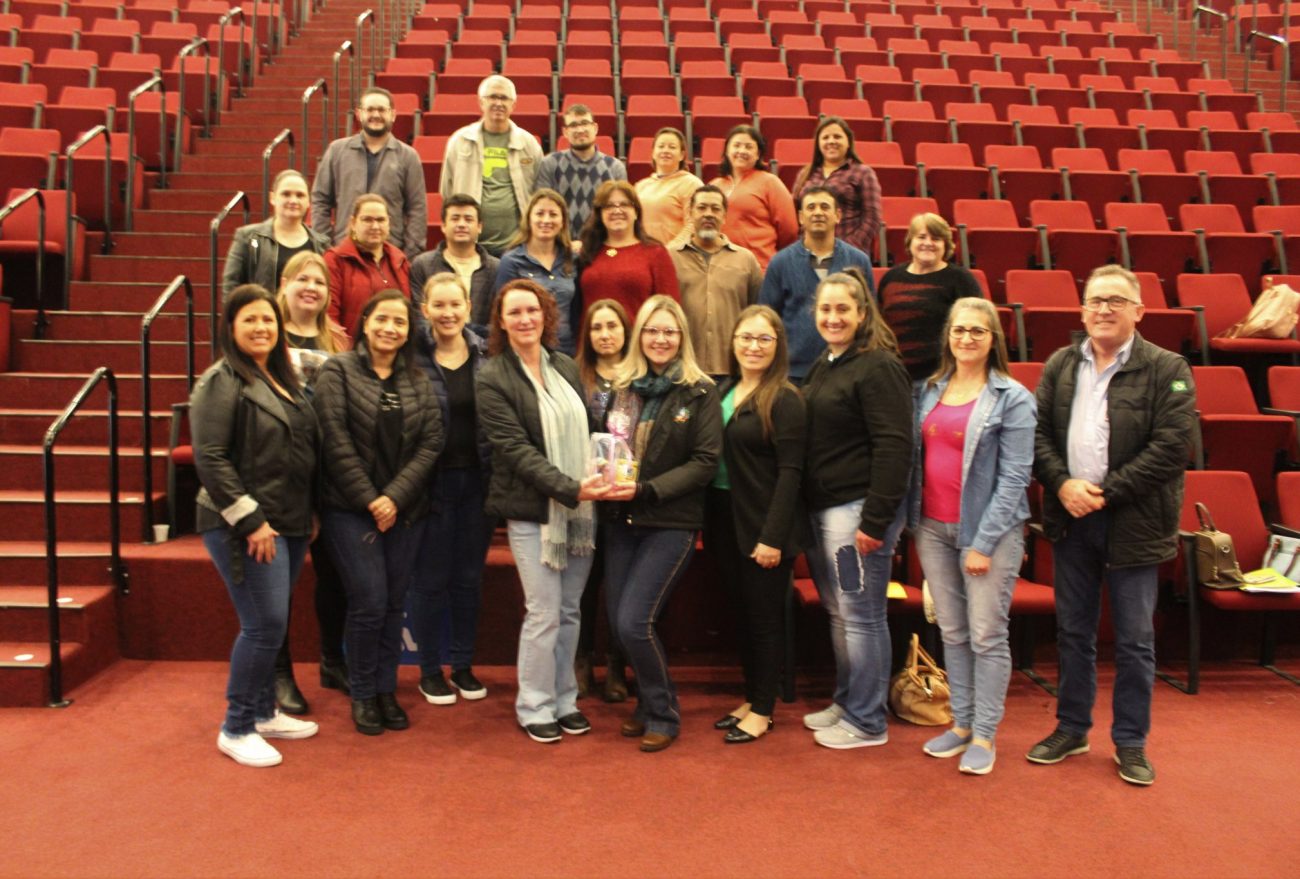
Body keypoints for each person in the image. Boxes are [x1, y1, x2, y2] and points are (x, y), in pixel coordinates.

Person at [1026, 265, 1196, 787]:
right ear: (1082, 310)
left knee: (1135, 640)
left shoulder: (1169, 366)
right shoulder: (1060, 364)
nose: (1104, 309)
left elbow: (1171, 449)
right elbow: (1037, 437)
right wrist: (1062, 485)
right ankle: (1072, 727)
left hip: (1134, 523)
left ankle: (1130, 742)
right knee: (1073, 633)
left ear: (1138, 311)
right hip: (1071, 520)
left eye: (1117, 301)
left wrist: (1104, 492)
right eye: (1096, 300)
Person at [476, 278, 612, 744]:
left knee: (571, 610)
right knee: (544, 612)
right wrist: (573, 488)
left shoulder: (564, 366)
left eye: (531, 310)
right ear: (501, 321)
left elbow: (589, 427)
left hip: (577, 514)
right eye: (514, 313)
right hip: (533, 512)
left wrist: (601, 471)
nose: (525, 319)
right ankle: (533, 705)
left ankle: (564, 700)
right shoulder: (493, 377)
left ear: (545, 314)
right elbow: (515, 451)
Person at [192, 285, 320, 767]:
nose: (261, 328)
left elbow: (301, 450)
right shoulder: (221, 380)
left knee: (274, 622)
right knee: (264, 625)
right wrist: (251, 521)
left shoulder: (283, 377)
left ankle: (265, 711)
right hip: (242, 525)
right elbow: (211, 458)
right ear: (230, 327)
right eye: (250, 320)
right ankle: (238, 724)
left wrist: (306, 514)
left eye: (268, 319)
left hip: (287, 521)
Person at [908, 297, 1036, 775]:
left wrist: (982, 543)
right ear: (948, 335)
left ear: (993, 340)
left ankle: (985, 734)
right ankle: (960, 724)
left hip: (990, 533)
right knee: (953, 630)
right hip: (932, 528)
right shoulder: (929, 389)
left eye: (977, 332)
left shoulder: (1013, 397)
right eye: (959, 330)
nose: (966, 338)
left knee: (986, 634)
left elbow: (1015, 477)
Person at [314, 290, 444, 736]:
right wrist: (372, 498)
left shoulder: (417, 378)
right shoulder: (338, 372)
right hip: (349, 510)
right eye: (382, 319)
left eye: (401, 322)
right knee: (368, 602)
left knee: (392, 604)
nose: (391, 328)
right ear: (365, 322)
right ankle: (364, 692)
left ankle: (387, 689)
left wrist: (394, 497)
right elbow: (334, 440)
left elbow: (430, 444)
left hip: (406, 511)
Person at [602, 296, 722, 752]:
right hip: (620, 519)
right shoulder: (623, 388)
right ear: (640, 337)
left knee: (634, 621)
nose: (660, 339)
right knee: (619, 623)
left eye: (669, 331)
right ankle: (647, 705)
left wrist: (647, 490)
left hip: (670, 522)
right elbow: (609, 447)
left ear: (682, 338)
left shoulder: (700, 390)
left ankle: (664, 715)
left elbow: (705, 462)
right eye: (652, 330)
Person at [800, 268, 913, 750]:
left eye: (843, 309)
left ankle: (868, 721)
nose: (833, 317)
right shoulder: (827, 363)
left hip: (855, 514)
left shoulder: (878, 366)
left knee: (860, 613)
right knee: (840, 611)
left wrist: (876, 519)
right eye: (825, 309)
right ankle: (848, 701)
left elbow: (895, 445)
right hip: (826, 512)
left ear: (863, 314)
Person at [707, 305, 806, 745]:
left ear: (778, 346)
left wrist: (773, 537)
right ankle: (752, 696)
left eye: (764, 339)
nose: (753, 346)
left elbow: (791, 474)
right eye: (745, 337)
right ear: (733, 343)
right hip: (723, 519)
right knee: (743, 616)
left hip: (763, 524)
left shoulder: (785, 398)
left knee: (765, 620)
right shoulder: (723, 391)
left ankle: (764, 709)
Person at [408, 273, 495, 707]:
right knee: (430, 580)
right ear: (425, 310)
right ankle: (428, 669)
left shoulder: (485, 353)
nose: (447, 313)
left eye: (455, 305)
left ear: (468, 307)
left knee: (468, 579)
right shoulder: (413, 355)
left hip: (477, 483)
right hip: (430, 485)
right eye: (438, 306)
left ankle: (462, 665)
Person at [271, 251, 350, 714]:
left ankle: (332, 659)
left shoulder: (338, 341)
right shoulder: (264, 333)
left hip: (328, 473)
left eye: (319, 282)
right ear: (284, 284)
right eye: (302, 279)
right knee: (277, 579)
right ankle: (279, 672)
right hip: (281, 476)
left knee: (335, 574)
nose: (311, 288)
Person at [573, 298, 633, 701]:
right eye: (597, 327)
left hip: (626, 498)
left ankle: (615, 664)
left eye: (613, 326)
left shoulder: (639, 377)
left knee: (619, 584)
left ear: (626, 331)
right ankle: (581, 662)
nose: (605, 334)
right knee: (584, 584)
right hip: (585, 497)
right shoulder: (575, 376)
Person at [759, 186, 873, 382]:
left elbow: (870, 316)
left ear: (837, 215)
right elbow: (767, 318)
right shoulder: (780, 263)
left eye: (824, 207)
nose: (818, 212)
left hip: (847, 369)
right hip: (793, 374)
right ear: (801, 217)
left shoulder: (858, 261)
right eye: (811, 207)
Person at [310, 86, 427, 258]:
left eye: (382, 110)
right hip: (344, 252)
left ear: (392, 115)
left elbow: (417, 208)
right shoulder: (336, 151)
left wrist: (408, 253)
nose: (376, 115)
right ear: (359, 114)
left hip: (390, 253)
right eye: (370, 109)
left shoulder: (408, 156)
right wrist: (325, 244)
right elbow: (320, 200)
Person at [440, 75, 544, 256]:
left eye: (504, 98)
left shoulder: (529, 143)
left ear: (513, 105)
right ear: (481, 102)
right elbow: (447, 191)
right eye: (492, 97)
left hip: (517, 246)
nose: (498, 103)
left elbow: (539, 191)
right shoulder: (460, 141)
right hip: (470, 245)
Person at [669, 185, 764, 378]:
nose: (708, 214)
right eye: (702, 208)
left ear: (724, 216)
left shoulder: (746, 260)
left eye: (715, 209)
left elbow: (756, 315)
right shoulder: (670, 258)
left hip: (733, 371)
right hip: (682, 370)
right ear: (690, 214)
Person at [878, 213, 984, 383]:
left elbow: (979, 327)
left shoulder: (961, 279)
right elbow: (879, 326)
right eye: (921, 237)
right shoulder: (891, 278)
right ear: (910, 241)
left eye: (936, 238)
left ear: (946, 245)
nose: (928, 243)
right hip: (894, 377)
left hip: (943, 379)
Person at [576, 180, 680, 322]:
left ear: (636, 211)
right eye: (609, 205)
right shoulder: (588, 251)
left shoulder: (655, 253)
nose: (617, 210)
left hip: (636, 342)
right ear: (599, 214)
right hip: (592, 341)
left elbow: (669, 309)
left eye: (624, 204)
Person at [222, 169, 330, 300]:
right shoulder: (247, 237)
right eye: (286, 194)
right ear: (272, 198)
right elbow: (231, 287)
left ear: (308, 202)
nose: (293, 200)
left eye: (300, 195)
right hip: (261, 317)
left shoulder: (321, 244)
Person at [495, 189, 580, 353]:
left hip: (568, 351)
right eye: (540, 213)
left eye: (553, 214)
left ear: (563, 221)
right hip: (527, 351)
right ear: (529, 219)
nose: (546, 220)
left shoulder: (573, 259)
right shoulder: (511, 261)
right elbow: (502, 312)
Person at [791, 116, 883, 259]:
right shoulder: (806, 174)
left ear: (848, 142)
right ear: (818, 144)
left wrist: (848, 248)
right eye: (825, 137)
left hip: (848, 255)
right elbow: (795, 214)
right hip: (808, 254)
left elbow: (872, 218)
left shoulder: (863, 173)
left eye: (837, 137)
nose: (831, 141)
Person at [709, 125, 798, 270]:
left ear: (758, 155)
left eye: (748, 147)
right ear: (726, 151)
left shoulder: (770, 182)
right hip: (720, 269)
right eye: (737, 145)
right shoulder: (714, 186)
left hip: (759, 267)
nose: (742, 151)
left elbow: (789, 230)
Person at [409, 194, 501, 331]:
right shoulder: (422, 264)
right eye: (455, 218)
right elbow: (419, 316)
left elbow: (497, 319)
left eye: (468, 219)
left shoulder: (496, 268)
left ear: (480, 227)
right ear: (443, 226)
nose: (461, 224)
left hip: (483, 347)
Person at [535, 103, 628, 238]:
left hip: (602, 246)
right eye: (573, 125)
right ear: (565, 132)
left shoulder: (615, 167)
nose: (579, 130)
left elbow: (620, 212)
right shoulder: (550, 164)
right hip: (560, 246)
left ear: (595, 128)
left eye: (585, 123)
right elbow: (543, 209)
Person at [325, 195, 412, 337]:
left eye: (381, 220)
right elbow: (329, 317)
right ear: (353, 223)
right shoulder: (335, 260)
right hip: (350, 353)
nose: (375, 226)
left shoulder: (400, 261)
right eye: (367, 220)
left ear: (389, 223)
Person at [634, 126, 703, 246]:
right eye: (661, 146)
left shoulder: (691, 184)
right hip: (643, 254)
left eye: (672, 147)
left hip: (676, 256)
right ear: (653, 153)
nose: (665, 151)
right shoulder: (640, 186)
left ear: (682, 155)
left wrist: (670, 250)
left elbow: (693, 224)